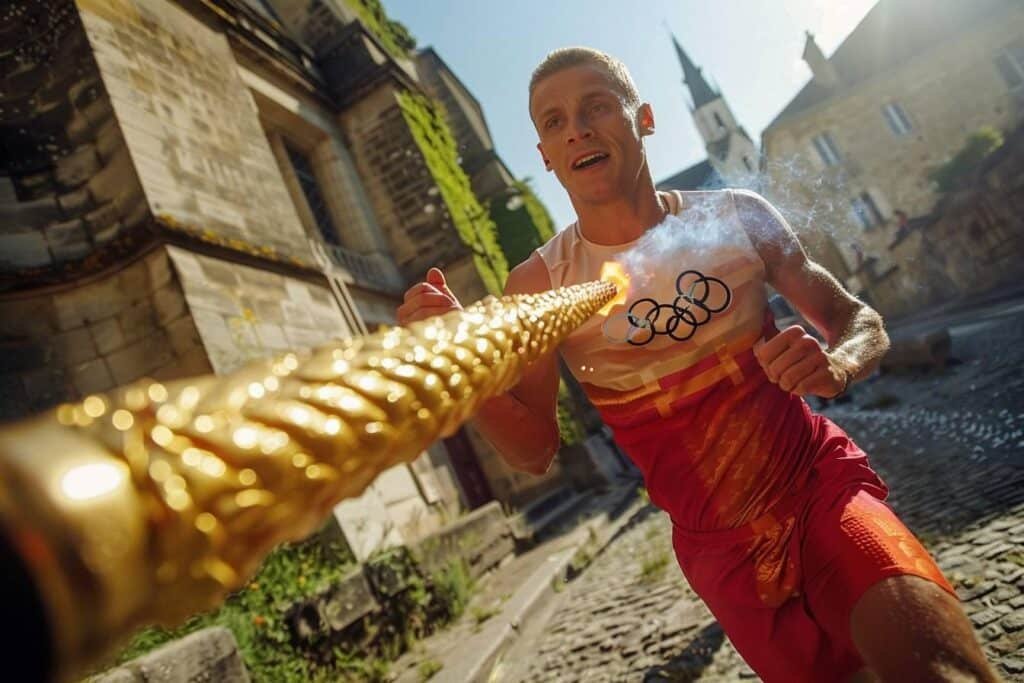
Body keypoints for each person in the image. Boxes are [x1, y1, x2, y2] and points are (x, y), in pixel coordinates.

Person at [397, 47, 998, 682]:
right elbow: (535, 450)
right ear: (546, 156)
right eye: (553, 121)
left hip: (819, 488)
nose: (576, 128)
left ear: (645, 118)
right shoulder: (539, 282)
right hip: (723, 558)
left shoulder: (737, 214)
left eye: (597, 105)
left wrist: (838, 364)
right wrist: (456, 367)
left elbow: (857, 319)